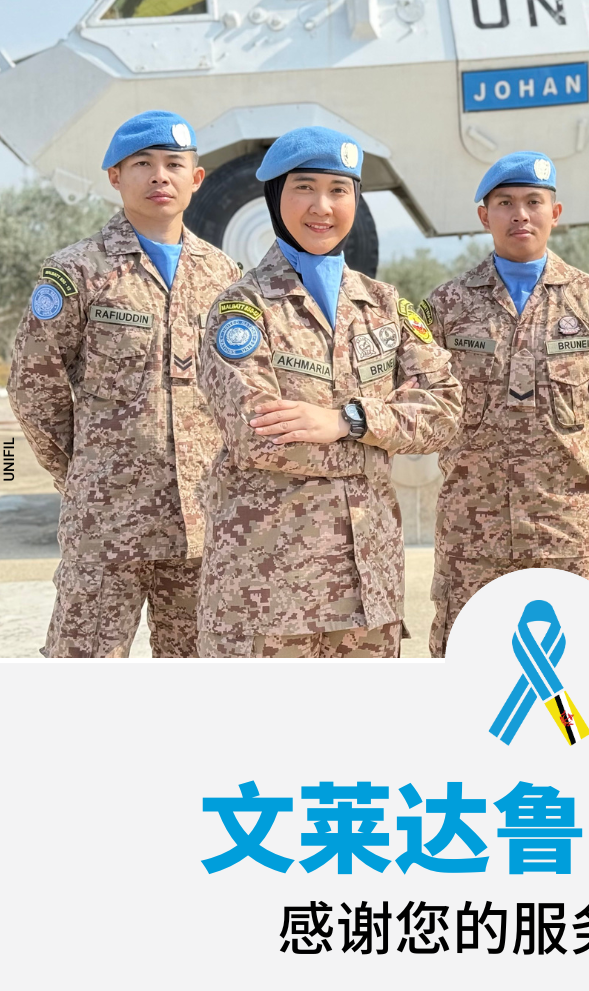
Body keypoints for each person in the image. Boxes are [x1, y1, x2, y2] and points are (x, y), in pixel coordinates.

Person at [196, 126, 461, 658]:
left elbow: (447, 411)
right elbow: (259, 436)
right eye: (304, 189)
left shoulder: (385, 305)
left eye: (339, 190)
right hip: (269, 593)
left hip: (370, 593)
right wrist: (384, 438)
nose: (323, 207)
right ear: (275, 197)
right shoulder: (241, 309)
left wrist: (348, 421)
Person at [8, 111, 239, 657]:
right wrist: (81, 470)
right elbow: (33, 384)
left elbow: (238, 392)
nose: (160, 176)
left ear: (196, 179)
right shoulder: (77, 270)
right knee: (85, 669)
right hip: (106, 525)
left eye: (173, 164)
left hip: (202, 523)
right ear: (115, 176)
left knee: (200, 675)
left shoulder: (224, 275)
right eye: (142, 164)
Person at [419, 152, 589, 656]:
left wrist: (585, 449)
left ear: (556, 213)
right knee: (470, 665)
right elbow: (418, 396)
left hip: (568, 529)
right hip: (473, 533)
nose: (521, 215)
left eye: (534, 202)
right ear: (484, 215)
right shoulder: (445, 306)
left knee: (575, 669)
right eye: (505, 203)